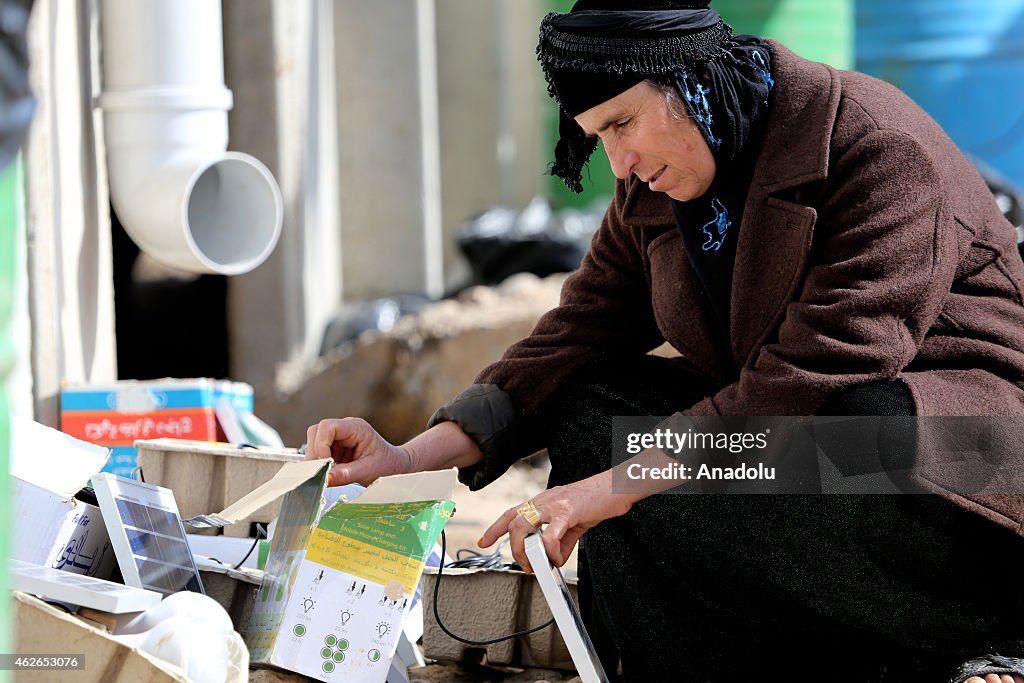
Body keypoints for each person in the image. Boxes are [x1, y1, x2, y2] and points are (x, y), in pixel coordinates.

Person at [306, 1, 1024, 680]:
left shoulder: (876, 145)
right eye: (598, 137)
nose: (617, 164)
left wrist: (614, 488)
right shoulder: (656, 189)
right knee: (591, 410)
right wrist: (404, 457)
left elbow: (819, 373)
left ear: (690, 77)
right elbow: (572, 338)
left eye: (622, 124)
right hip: (792, 444)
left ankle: (981, 633)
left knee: (844, 424)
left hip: (967, 460)